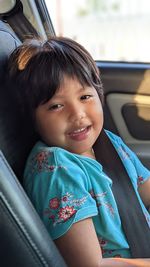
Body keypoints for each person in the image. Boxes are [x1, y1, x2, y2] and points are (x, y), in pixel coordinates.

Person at [8, 36, 150, 267]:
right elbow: (91, 264)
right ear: (31, 117)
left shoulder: (108, 142)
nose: (77, 114)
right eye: (56, 106)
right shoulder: (56, 170)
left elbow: (145, 190)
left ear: (98, 94)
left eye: (85, 97)